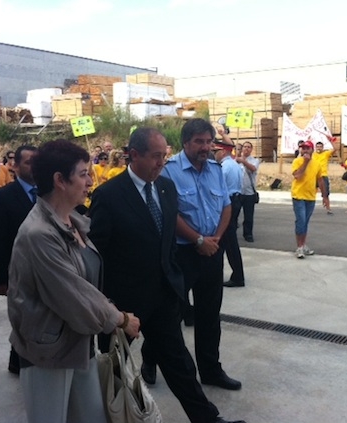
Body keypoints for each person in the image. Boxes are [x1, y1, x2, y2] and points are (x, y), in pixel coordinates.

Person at [89, 127, 245, 423]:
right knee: (115, 367)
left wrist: (172, 276)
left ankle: (208, 419)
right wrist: (107, 303)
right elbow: (98, 254)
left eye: (164, 156)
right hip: (124, 303)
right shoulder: (109, 195)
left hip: (162, 296)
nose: (161, 163)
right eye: (155, 156)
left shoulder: (164, 188)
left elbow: (167, 239)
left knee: (180, 365)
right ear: (134, 155)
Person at [7, 139, 140, 423]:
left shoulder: (73, 222)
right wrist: (120, 319)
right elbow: (74, 295)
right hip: (47, 352)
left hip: (78, 343)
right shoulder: (39, 234)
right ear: (60, 180)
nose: (90, 181)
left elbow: (86, 285)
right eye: (82, 174)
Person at [161, 118, 242, 391]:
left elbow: (226, 206)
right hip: (182, 254)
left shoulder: (216, 169)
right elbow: (169, 214)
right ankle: (152, 358)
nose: (205, 147)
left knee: (209, 316)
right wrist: (197, 239)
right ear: (186, 143)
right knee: (170, 315)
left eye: (208, 141)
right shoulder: (170, 171)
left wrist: (215, 239)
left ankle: (211, 371)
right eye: (199, 142)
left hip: (212, 252)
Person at [0, 145, 38, 375]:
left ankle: (18, 359)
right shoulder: (1, 198)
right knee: (23, 319)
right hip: (18, 272)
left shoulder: (50, 192)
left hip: (44, 270)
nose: (34, 167)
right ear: (15, 166)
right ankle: (19, 361)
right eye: (28, 162)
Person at [212, 140, 245, 288]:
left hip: (228, 204)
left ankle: (237, 276)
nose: (214, 155)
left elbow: (218, 188)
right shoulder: (235, 165)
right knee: (226, 241)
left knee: (229, 242)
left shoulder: (223, 167)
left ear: (223, 151)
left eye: (216, 151)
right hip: (236, 201)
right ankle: (231, 274)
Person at [291, 140, 329, 259]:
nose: (305, 150)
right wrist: (305, 162)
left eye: (308, 148)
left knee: (305, 222)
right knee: (301, 221)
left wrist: (325, 196)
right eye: (303, 148)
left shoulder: (317, 164)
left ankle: (303, 244)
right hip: (298, 196)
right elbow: (297, 176)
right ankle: (299, 247)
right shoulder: (297, 161)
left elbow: (320, 180)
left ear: (312, 150)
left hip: (310, 196)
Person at [235, 141, 260, 243]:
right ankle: (232, 233)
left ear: (251, 149)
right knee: (234, 214)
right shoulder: (235, 161)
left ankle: (248, 234)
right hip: (238, 192)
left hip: (249, 193)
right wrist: (237, 160)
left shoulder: (255, 161)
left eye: (248, 147)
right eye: (244, 147)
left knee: (248, 216)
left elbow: (253, 169)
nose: (246, 149)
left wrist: (244, 161)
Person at [313, 137, 338, 214]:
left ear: (323, 147)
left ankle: (328, 209)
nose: (319, 148)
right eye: (318, 146)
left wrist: (331, 141)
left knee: (326, 193)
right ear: (315, 147)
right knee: (311, 193)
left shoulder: (326, 154)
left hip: (323, 175)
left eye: (320, 146)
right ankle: (309, 208)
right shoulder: (313, 154)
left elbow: (335, 149)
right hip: (314, 176)